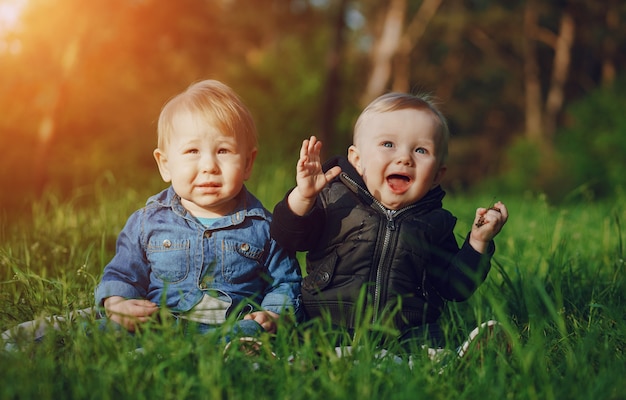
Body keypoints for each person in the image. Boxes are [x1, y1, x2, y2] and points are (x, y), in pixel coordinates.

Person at [3, 80, 301, 350]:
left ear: (248, 163)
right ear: (165, 164)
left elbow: (285, 281)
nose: (209, 165)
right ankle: (25, 347)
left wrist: (275, 313)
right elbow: (122, 273)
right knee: (100, 330)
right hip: (156, 324)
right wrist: (118, 303)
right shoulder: (149, 221)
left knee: (250, 335)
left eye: (223, 150)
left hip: (229, 329)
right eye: (192, 151)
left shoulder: (265, 226)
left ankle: (222, 355)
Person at [270, 91, 508, 350]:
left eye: (421, 149)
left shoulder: (435, 223)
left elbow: (455, 288)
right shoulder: (334, 199)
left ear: (438, 174)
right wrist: (303, 197)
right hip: (329, 320)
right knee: (310, 340)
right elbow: (287, 237)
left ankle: (448, 361)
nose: (404, 158)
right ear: (358, 160)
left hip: (406, 329)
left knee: (429, 339)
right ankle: (294, 359)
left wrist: (478, 243)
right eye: (388, 145)